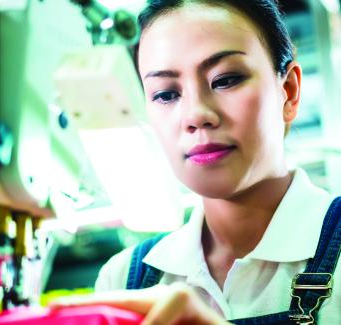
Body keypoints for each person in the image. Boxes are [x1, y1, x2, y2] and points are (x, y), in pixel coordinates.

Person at [52, 1, 341, 324]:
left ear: (288, 92)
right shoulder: (124, 280)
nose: (196, 115)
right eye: (165, 94)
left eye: (226, 79)